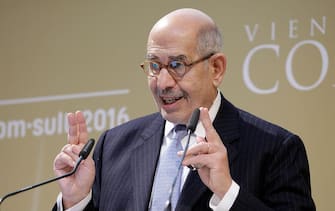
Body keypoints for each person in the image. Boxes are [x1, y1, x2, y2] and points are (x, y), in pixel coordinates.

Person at [53, 8, 315, 211]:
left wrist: (228, 194)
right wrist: (75, 201)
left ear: (216, 68)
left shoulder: (276, 149)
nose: (163, 83)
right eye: (154, 66)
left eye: (177, 65)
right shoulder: (114, 146)